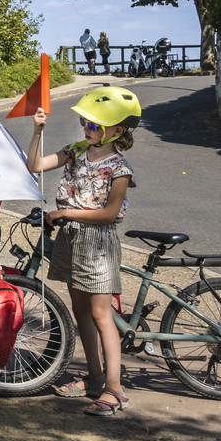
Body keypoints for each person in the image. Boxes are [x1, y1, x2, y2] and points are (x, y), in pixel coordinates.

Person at [26, 86, 141, 418]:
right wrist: (37, 131)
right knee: (81, 312)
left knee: (103, 315)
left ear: (117, 130)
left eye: (94, 125)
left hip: (98, 241)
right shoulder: (75, 150)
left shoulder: (120, 168)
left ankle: (115, 390)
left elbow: (109, 213)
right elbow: (35, 164)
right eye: (85, 123)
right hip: (70, 238)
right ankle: (94, 377)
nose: (86, 129)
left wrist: (66, 213)